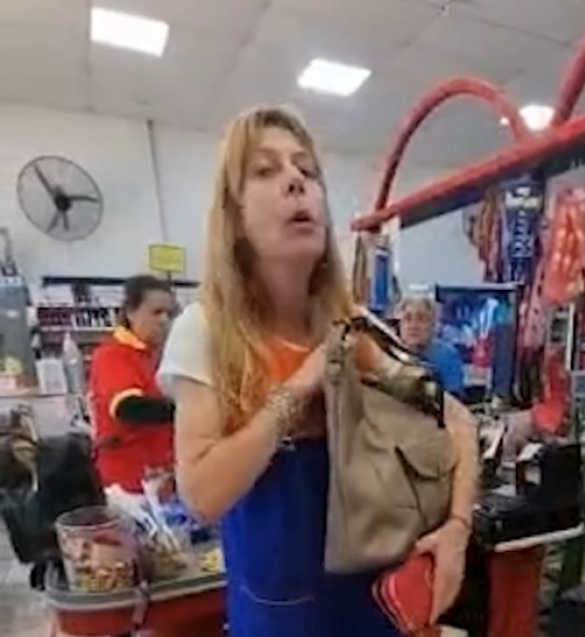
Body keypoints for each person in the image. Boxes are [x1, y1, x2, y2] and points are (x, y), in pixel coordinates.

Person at [156, 106, 478, 637]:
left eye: (306, 170)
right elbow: (202, 495)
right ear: (234, 216)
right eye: (266, 170)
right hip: (278, 620)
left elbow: (459, 422)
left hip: (377, 609)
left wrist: (457, 531)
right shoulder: (209, 331)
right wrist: (303, 382)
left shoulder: (354, 326)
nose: (295, 182)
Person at [89, 275, 176, 493]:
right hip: (127, 482)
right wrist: (190, 408)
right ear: (131, 313)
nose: (164, 321)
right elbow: (128, 407)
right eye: (156, 312)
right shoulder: (113, 355)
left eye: (170, 314)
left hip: (159, 477)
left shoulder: (152, 356)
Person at [397, 296, 465, 397]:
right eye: (407, 319)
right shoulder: (390, 353)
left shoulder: (447, 355)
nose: (413, 326)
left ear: (433, 325)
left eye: (421, 319)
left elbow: (454, 399)